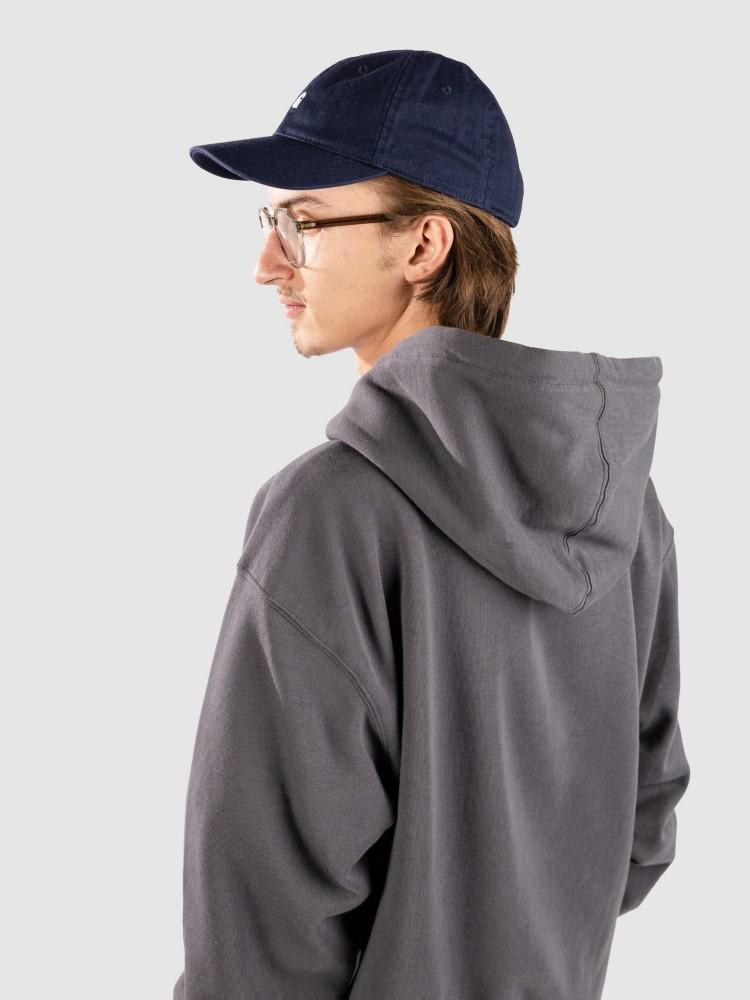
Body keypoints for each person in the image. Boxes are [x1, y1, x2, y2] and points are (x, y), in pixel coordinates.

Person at [174, 49, 690, 1000]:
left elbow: (260, 927)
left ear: (423, 247)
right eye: (269, 221)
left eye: (302, 223)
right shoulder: (627, 505)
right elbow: (641, 826)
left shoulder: (329, 512)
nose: (265, 264)